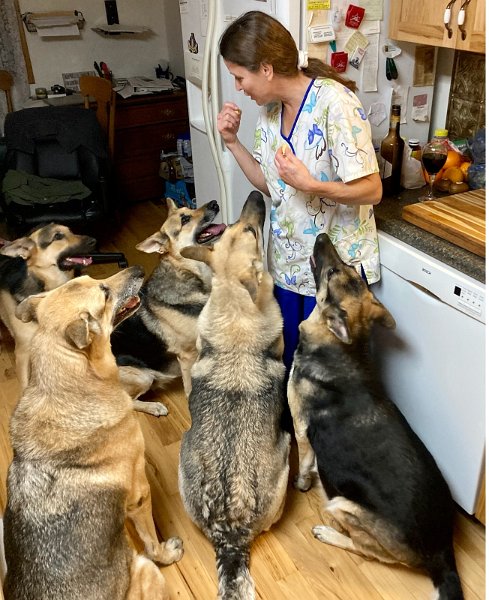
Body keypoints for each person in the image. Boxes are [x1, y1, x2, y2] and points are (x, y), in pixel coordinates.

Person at [217, 11, 382, 372]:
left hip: (332, 278)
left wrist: (313, 185)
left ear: (266, 68)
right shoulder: (270, 112)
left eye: (239, 77)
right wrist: (231, 142)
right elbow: (269, 184)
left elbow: (372, 190)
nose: (239, 88)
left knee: (331, 382)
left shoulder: (335, 104)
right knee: (295, 372)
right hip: (288, 270)